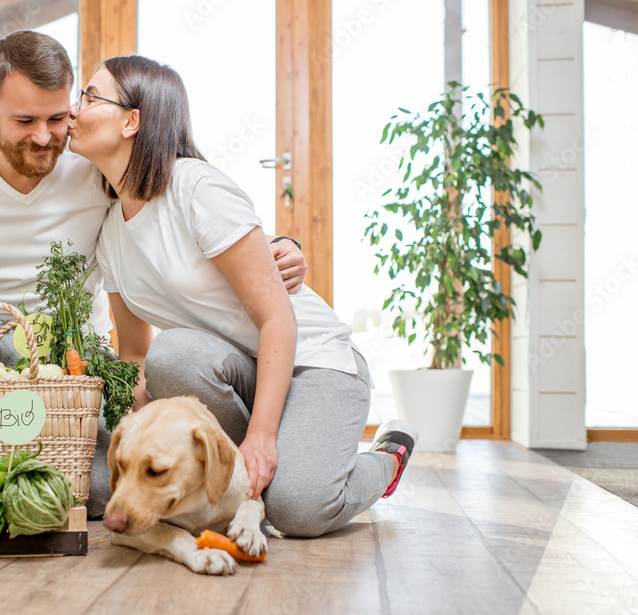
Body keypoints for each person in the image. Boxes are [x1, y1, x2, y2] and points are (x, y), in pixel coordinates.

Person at [0, 31, 308, 505]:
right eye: (24, 120)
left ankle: (8, 459)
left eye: (57, 117)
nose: (44, 137)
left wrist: (281, 243)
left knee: (89, 490)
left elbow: (178, 193)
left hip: (71, 360)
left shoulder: (94, 163)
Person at [67, 55, 418, 537]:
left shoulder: (195, 188)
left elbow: (278, 318)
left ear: (132, 121)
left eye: (88, 96)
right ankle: (278, 462)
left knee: (297, 510)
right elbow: (135, 353)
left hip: (315, 361)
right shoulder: (109, 232)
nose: (73, 110)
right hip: (238, 371)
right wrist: (134, 431)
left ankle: (386, 457)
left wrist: (261, 439)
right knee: (173, 356)